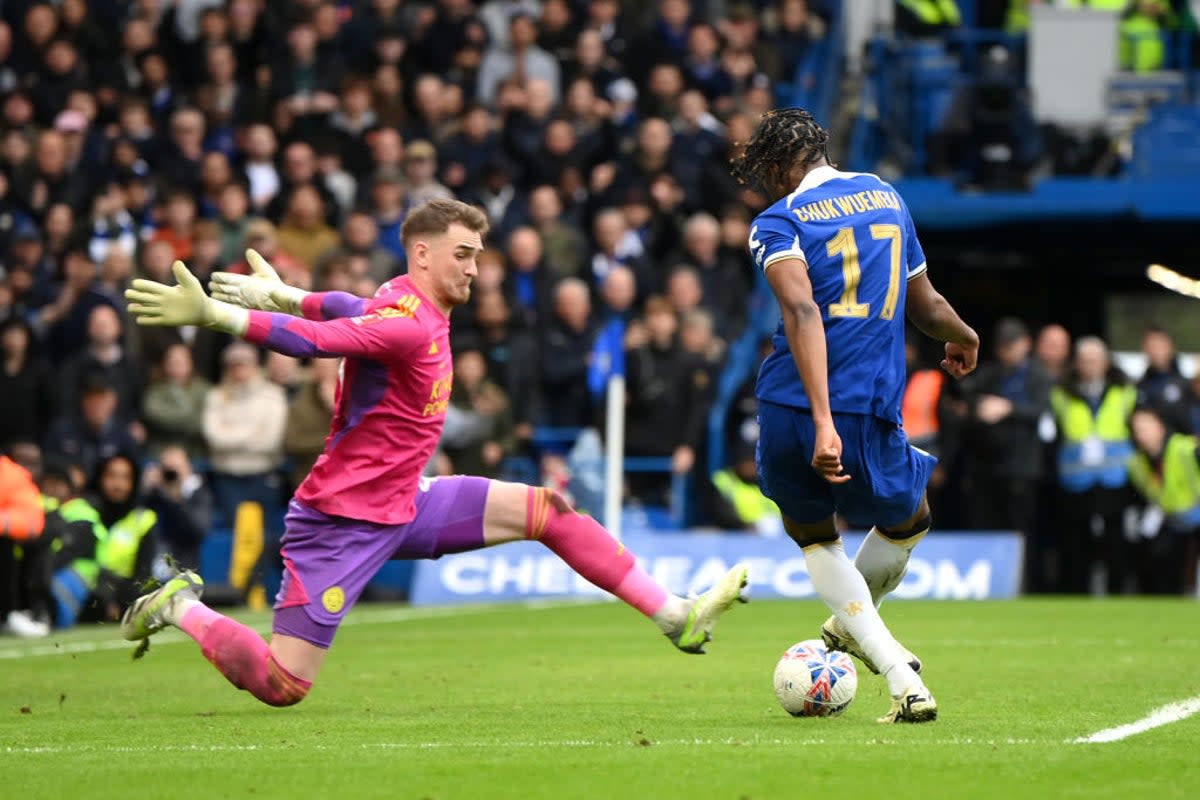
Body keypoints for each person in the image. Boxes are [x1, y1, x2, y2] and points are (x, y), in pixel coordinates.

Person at [120, 198, 747, 708]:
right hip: (342, 520)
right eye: (463, 254)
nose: (476, 268)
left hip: (405, 500)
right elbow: (320, 342)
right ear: (423, 253)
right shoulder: (409, 324)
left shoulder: (406, 299)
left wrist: (287, 295)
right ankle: (178, 605)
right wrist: (218, 317)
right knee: (284, 686)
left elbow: (342, 309)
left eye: (478, 254)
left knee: (547, 510)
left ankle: (677, 616)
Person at [730, 108, 979, 723]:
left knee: (814, 535)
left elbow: (803, 312)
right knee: (909, 519)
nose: (766, 185)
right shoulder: (885, 197)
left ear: (785, 164)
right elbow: (926, 305)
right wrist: (964, 334)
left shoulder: (778, 221)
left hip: (796, 406)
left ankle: (862, 645)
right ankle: (893, 668)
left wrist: (819, 422)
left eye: (766, 171)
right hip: (870, 404)